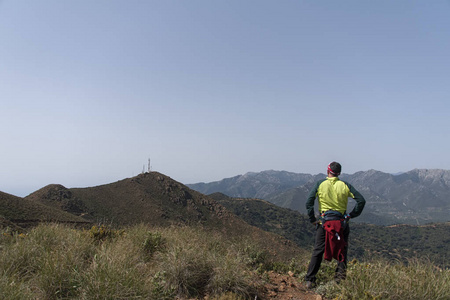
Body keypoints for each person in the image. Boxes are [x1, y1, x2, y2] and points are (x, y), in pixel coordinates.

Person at [304, 162, 366, 288]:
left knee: (318, 250)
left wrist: (312, 219)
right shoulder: (344, 185)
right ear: (339, 173)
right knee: (342, 251)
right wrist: (350, 215)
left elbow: (309, 202)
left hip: (324, 223)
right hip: (341, 223)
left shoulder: (320, 184)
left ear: (328, 171)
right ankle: (339, 281)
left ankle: (310, 280)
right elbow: (361, 200)